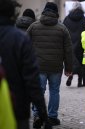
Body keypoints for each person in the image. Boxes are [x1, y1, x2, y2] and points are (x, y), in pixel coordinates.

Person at [0, 0, 51, 129]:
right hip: (17, 107)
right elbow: (32, 81)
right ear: (13, 14)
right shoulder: (20, 39)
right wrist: (43, 114)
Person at [27, 2, 73, 127]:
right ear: (56, 13)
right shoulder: (62, 28)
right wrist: (69, 68)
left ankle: (37, 115)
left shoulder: (33, 26)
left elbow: (25, 45)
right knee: (54, 91)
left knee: (39, 91)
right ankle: (52, 116)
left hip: (38, 66)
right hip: (55, 66)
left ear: (44, 11)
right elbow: (68, 50)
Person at [63, 1, 85, 87]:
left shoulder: (66, 19)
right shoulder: (84, 19)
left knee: (71, 61)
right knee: (81, 61)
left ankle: (70, 75)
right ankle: (80, 81)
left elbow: (63, 30)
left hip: (69, 43)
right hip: (81, 44)